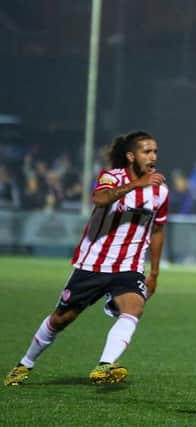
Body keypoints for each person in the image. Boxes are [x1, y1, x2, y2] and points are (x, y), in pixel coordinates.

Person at [4, 130, 169, 386]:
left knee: (134, 308)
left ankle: (104, 366)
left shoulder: (161, 192)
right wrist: (136, 184)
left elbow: (158, 229)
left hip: (129, 266)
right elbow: (100, 198)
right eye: (146, 151)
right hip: (93, 263)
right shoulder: (111, 177)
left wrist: (155, 272)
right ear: (130, 156)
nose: (153, 156)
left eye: (155, 151)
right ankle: (24, 364)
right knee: (61, 318)